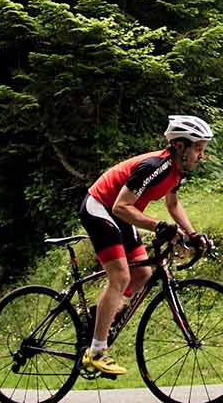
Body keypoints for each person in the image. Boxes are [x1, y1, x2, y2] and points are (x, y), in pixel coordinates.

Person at [76, 114, 213, 377]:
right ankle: (95, 352)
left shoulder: (176, 171)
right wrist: (158, 227)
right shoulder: (156, 167)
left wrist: (192, 234)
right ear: (180, 146)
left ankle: (99, 317)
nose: (202, 156)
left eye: (203, 150)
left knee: (143, 273)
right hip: (100, 207)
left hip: (121, 212)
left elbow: (172, 205)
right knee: (120, 275)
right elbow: (119, 206)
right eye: (198, 149)